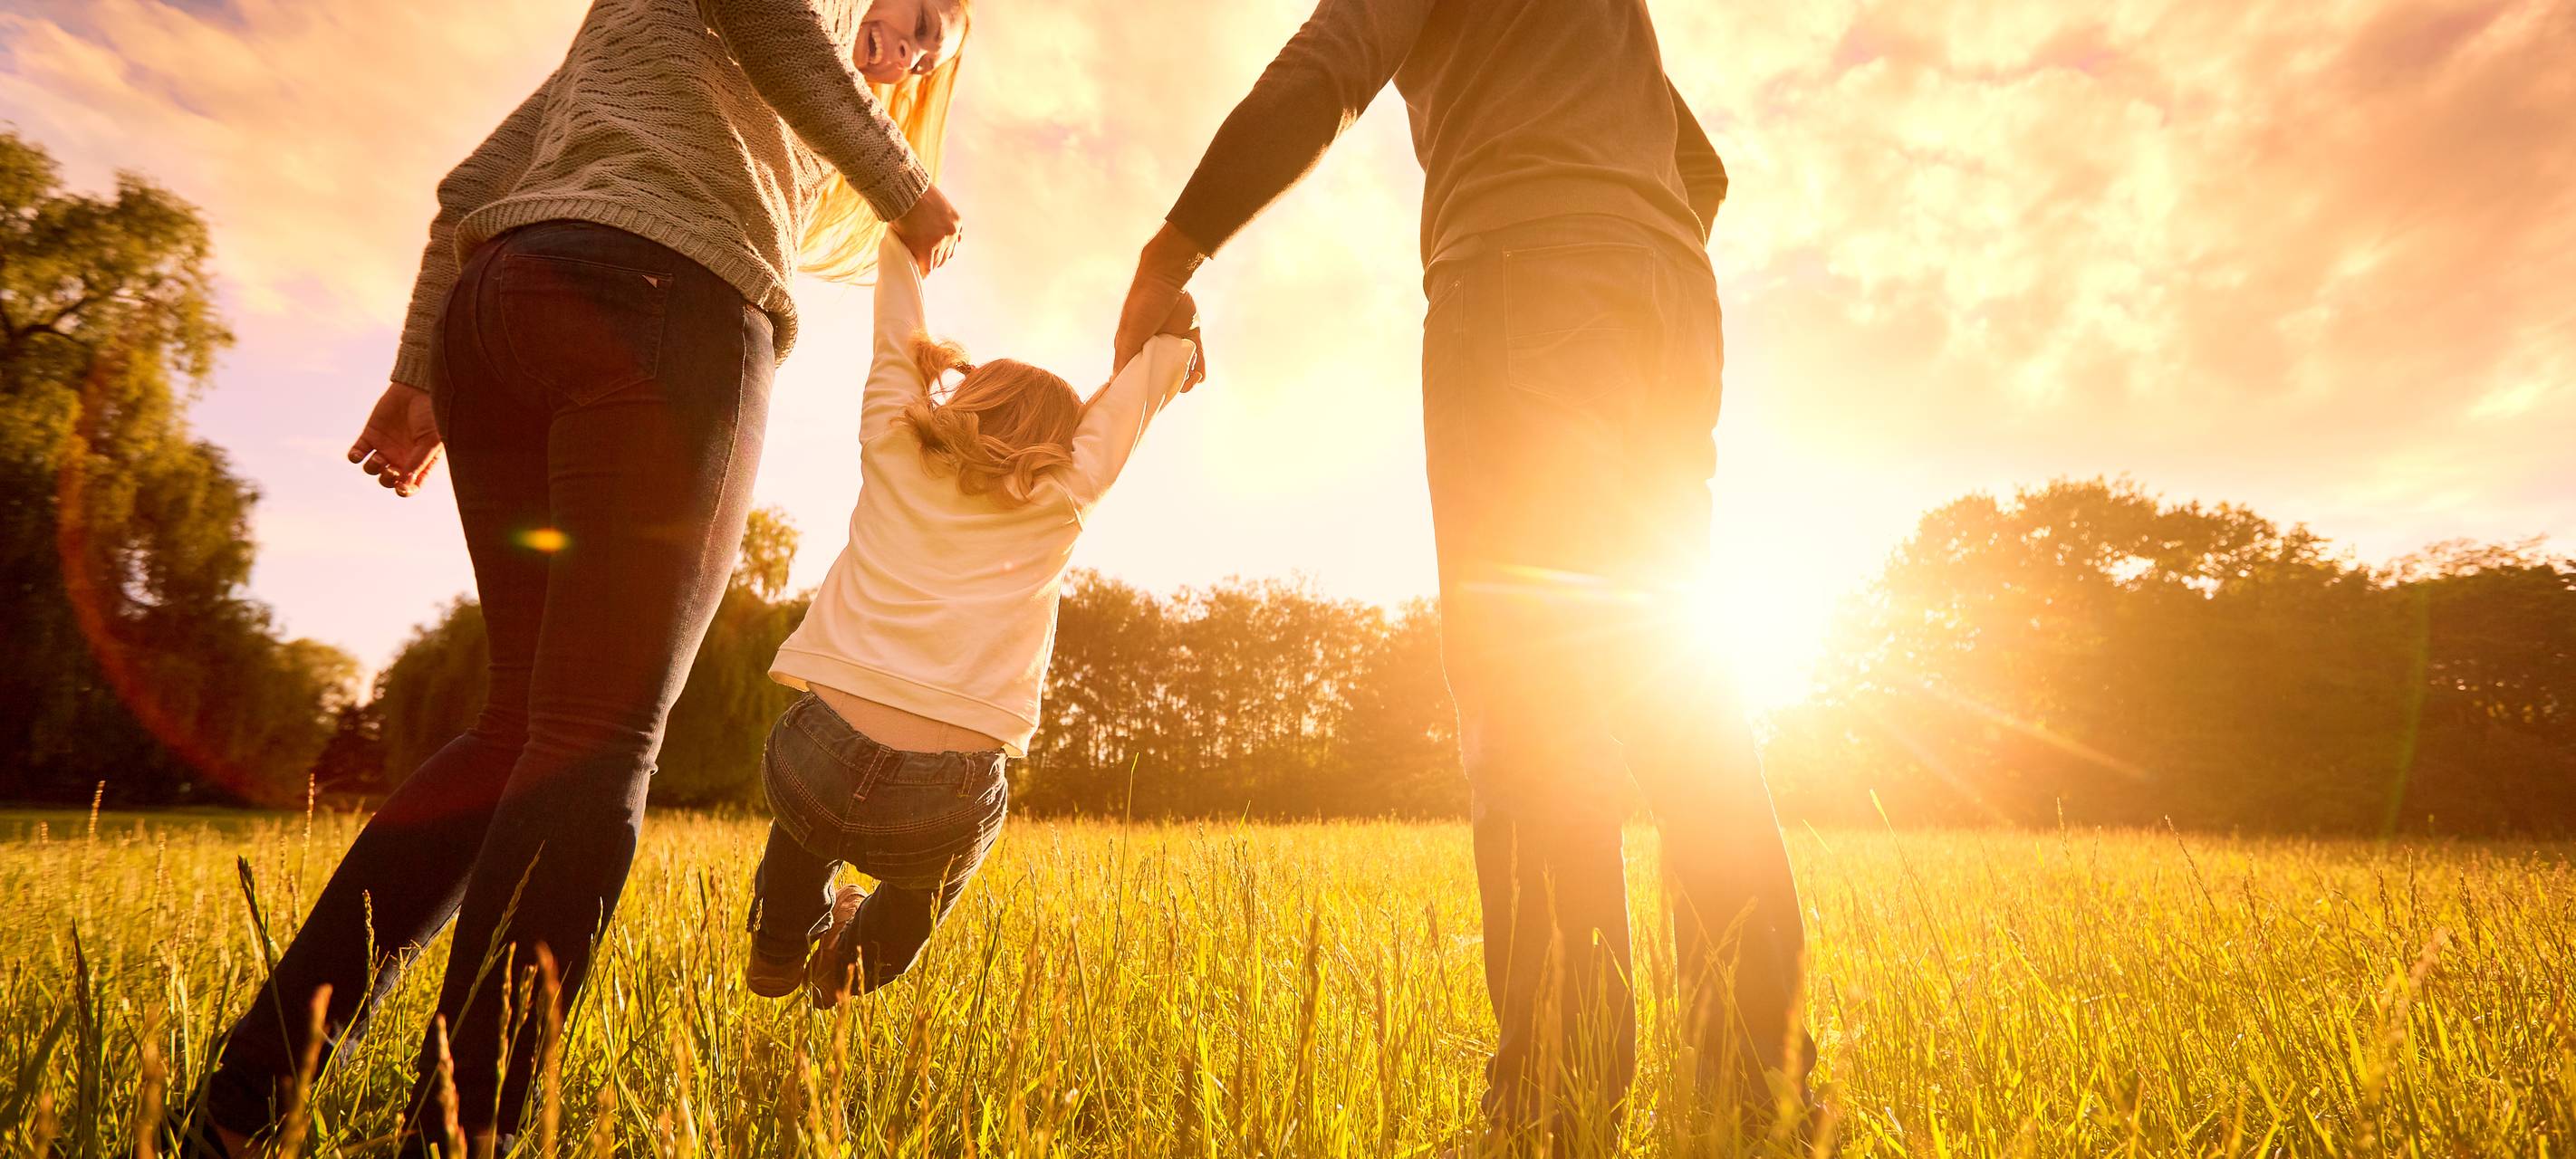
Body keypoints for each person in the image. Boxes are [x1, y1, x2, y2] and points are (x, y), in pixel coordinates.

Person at [181, 0, 972, 1154]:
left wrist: (417, 376)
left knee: (520, 733)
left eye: (920, 59)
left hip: (497, 317)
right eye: (906, 20)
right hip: (665, 307)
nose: (896, 57)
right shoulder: (780, 31)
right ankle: (462, 1132)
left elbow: (468, 189)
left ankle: (243, 1100)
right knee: (599, 743)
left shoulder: (645, 42)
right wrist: (905, 179)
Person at [1109, 0, 1809, 1141]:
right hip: (1670, 303)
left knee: (1531, 697)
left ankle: (1555, 1102)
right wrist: (1628, 245)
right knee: (1679, 690)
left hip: (1525, 284)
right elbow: (1701, 167)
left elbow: (1331, 68)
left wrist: (1168, 250)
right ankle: (1758, 1090)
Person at [745, 232, 1204, 1008]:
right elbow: (1136, 397)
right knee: (928, 885)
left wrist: (903, 246)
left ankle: (782, 941)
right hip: (943, 794)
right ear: (1063, 443)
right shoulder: (1066, 492)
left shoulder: (895, 442)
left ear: (965, 398)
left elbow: (896, 334)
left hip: (814, 756)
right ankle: (855, 965)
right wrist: (1173, 344)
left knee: (809, 818)